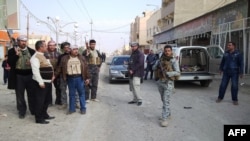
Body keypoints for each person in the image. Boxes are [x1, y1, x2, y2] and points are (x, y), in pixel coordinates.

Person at [56, 45, 90, 114]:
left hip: (79, 78)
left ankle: (83, 108)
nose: (76, 51)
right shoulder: (65, 58)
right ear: (70, 50)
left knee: (81, 94)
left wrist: (87, 78)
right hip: (70, 78)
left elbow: (86, 68)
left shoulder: (81, 58)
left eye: (77, 49)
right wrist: (54, 76)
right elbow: (59, 68)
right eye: (74, 49)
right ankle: (72, 109)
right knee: (71, 94)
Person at [7, 35, 35, 119]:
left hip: (30, 76)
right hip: (18, 76)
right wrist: (16, 55)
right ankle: (22, 111)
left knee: (31, 94)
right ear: (18, 42)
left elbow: (37, 63)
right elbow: (10, 63)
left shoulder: (32, 51)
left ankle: (33, 110)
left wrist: (32, 64)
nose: (24, 43)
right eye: (22, 41)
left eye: (25, 41)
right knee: (20, 95)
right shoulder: (12, 51)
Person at [153, 45, 180, 127]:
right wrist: (156, 65)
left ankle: (164, 119)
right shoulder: (160, 60)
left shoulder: (173, 60)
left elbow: (178, 72)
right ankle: (168, 114)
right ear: (164, 51)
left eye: (169, 50)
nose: (167, 52)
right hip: (160, 82)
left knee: (165, 100)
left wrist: (169, 73)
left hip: (168, 83)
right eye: (166, 51)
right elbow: (153, 68)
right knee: (164, 100)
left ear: (171, 51)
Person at [30, 40, 55, 124]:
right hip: (41, 83)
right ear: (40, 47)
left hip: (48, 82)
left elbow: (49, 66)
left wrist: (52, 75)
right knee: (40, 101)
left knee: (47, 100)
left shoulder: (43, 55)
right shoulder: (35, 57)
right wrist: (40, 82)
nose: (46, 47)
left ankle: (44, 114)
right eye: (44, 46)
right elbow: (35, 71)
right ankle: (39, 118)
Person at [56, 42, 80, 109]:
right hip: (63, 76)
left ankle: (76, 103)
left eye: (68, 47)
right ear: (63, 49)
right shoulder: (61, 57)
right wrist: (56, 76)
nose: (67, 49)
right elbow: (58, 67)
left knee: (74, 90)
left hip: (72, 76)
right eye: (65, 47)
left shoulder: (76, 55)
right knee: (63, 90)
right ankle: (64, 104)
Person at [44, 40, 61, 105]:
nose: (52, 47)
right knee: (48, 88)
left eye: (53, 45)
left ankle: (58, 101)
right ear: (48, 46)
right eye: (50, 45)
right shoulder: (44, 53)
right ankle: (49, 102)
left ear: (55, 46)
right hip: (47, 73)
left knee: (58, 87)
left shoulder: (59, 54)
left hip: (57, 73)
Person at [127, 42, 144, 106]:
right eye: (132, 46)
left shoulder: (140, 54)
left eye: (134, 46)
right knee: (132, 87)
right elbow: (130, 62)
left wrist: (132, 70)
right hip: (131, 73)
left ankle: (139, 100)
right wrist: (129, 68)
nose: (133, 47)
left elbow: (140, 63)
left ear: (137, 46)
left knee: (136, 86)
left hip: (137, 73)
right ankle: (135, 99)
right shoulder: (133, 53)